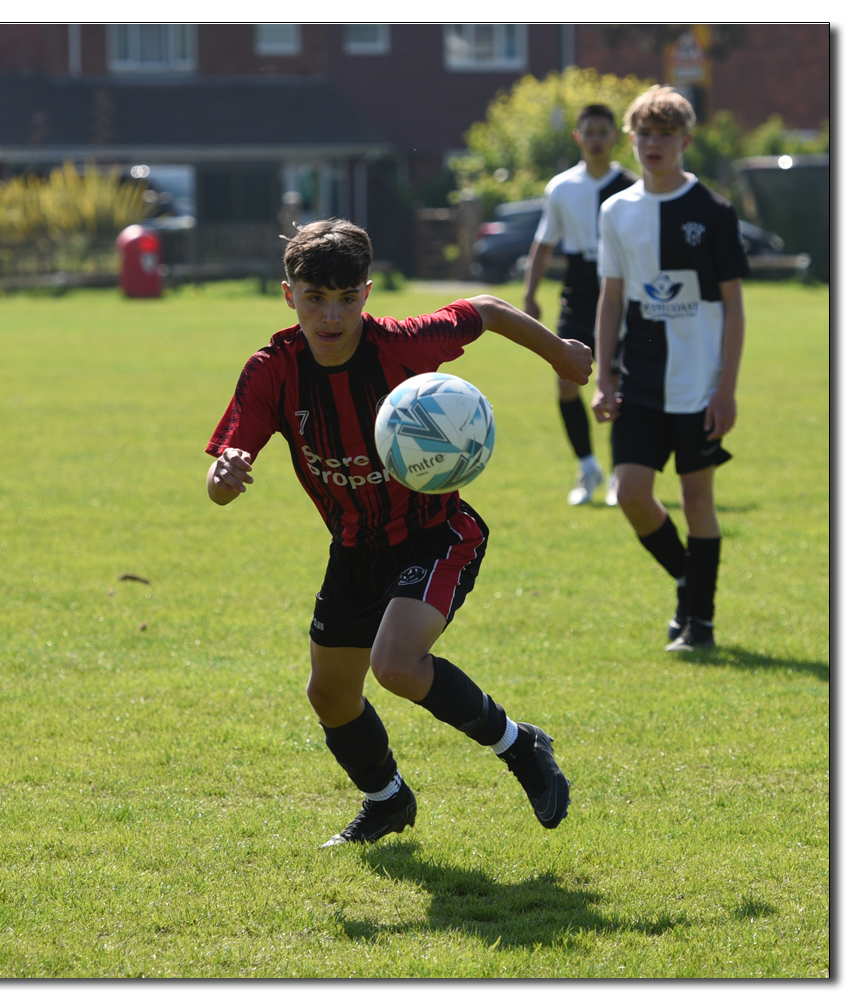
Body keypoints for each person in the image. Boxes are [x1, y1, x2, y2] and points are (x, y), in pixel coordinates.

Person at [206, 218, 592, 845]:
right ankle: (387, 801)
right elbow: (222, 478)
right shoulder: (273, 371)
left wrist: (563, 355)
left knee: (396, 664)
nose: (331, 316)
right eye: (314, 299)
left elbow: (488, 308)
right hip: (354, 548)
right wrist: (225, 477)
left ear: (367, 292)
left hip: (434, 532)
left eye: (347, 298)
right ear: (288, 295)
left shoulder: (402, 345)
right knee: (330, 696)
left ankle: (521, 747)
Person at [591, 86, 749, 652]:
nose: (653, 144)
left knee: (696, 500)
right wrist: (605, 376)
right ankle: (689, 580)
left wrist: (725, 390)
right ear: (631, 139)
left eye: (665, 135)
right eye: (644, 134)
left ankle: (699, 623)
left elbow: (733, 305)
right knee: (631, 493)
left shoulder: (713, 211)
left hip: (699, 384)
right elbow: (611, 297)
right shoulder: (616, 211)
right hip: (641, 379)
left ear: (685, 140)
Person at [524, 104, 637, 507]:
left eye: (602, 131)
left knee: (621, 387)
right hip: (579, 286)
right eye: (587, 131)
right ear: (577, 137)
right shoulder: (562, 187)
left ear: (615, 138)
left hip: (620, 287)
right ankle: (588, 466)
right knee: (566, 379)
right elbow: (544, 243)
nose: (595, 139)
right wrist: (530, 294)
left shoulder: (630, 186)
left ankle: (622, 475)